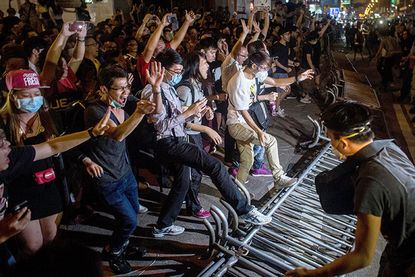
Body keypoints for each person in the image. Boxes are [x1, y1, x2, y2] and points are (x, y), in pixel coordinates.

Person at [141, 48, 272, 238]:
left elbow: (176, 117)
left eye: (180, 71)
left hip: (176, 139)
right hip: (168, 143)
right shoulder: (153, 89)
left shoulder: (168, 86)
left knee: (182, 183)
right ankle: (245, 210)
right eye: (175, 72)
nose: (178, 75)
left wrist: (194, 112)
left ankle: (162, 226)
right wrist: (187, 112)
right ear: (161, 69)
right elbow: (161, 125)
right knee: (215, 167)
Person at [285, 101, 415, 277]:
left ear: (343, 143)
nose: (331, 143)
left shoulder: (370, 181)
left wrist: (312, 274)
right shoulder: (389, 147)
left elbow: (363, 256)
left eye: (331, 138)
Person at [83, 65, 155, 275]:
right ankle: (113, 252)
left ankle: (122, 244)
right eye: (120, 89)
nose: (125, 94)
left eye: (127, 88)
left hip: (126, 174)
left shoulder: (126, 102)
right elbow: (118, 135)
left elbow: (154, 109)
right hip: (107, 180)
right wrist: (140, 113)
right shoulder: (94, 111)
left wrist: (156, 90)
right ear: (104, 89)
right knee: (128, 220)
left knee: (132, 217)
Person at [176, 51, 220, 219]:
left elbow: (196, 107)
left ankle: (189, 203)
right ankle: (193, 207)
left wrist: (207, 109)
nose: (207, 66)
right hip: (187, 135)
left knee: (195, 173)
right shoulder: (184, 89)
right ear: (194, 67)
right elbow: (181, 120)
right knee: (192, 174)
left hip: (195, 134)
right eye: (204, 64)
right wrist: (207, 129)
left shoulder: (196, 85)